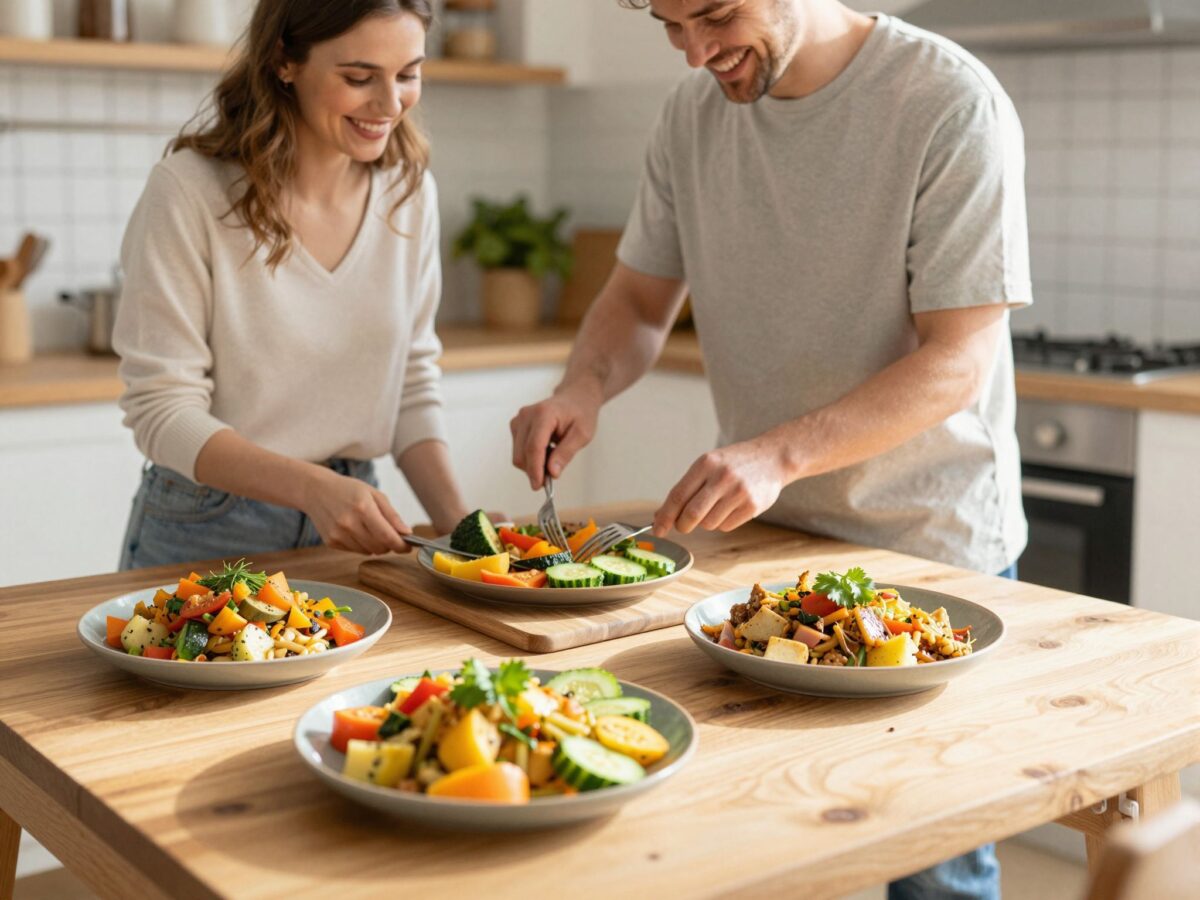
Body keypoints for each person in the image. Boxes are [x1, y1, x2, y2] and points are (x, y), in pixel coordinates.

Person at [509, 2, 1030, 898]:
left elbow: (957, 362)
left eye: (714, 14)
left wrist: (777, 456)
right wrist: (579, 389)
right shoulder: (691, 115)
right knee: (765, 838)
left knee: (934, 870)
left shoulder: (946, 100)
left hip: (926, 556)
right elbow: (637, 304)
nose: (696, 52)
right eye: (671, 26)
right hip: (766, 554)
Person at [115, 0, 467, 570]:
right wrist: (310, 488)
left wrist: (461, 527)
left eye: (408, 75)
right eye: (359, 77)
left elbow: (409, 383)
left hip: (350, 522)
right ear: (285, 60)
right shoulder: (188, 192)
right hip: (208, 525)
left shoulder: (409, 192)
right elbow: (162, 411)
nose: (389, 103)